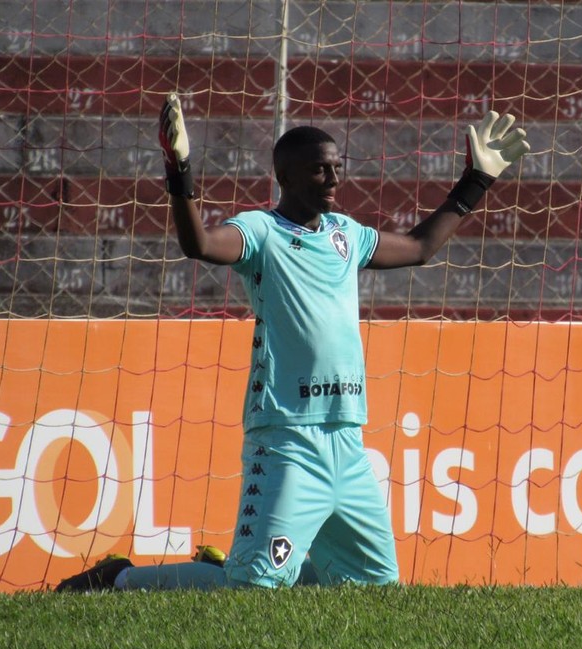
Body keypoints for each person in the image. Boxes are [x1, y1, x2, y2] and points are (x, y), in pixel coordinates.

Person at [56, 94, 529, 592]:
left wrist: (477, 178)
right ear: (286, 177)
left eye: (337, 168)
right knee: (251, 589)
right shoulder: (261, 232)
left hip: (347, 439)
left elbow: (419, 247)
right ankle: (119, 580)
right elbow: (199, 244)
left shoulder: (345, 235)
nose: (334, 180)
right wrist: (181, 170)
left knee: (374, 588)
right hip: (287, 439)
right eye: (320, 171)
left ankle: (227, 564)